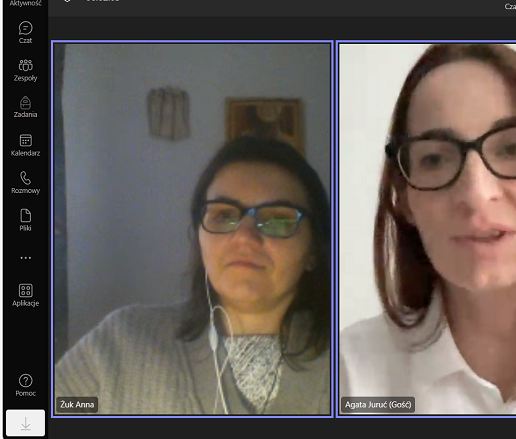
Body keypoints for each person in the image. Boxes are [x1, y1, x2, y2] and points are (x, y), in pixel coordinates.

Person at [339, 44, 516, 414]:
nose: (476, 194)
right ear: (403, 197)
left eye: (512, 149)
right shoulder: (344, 375)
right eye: (435, 158)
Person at [55, 137, 331, 415]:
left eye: (278, 220)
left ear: (313, 250)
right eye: (223, 215)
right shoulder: (120, 343)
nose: (245, 237)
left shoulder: (350, 357)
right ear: (199, 238)